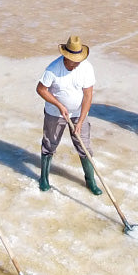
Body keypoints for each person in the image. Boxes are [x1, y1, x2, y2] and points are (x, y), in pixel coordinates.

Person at [35, 36, 102, 195]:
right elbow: (41, 89)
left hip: (78, 113)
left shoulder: (86, 67)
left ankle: (90, 181)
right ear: (66, 56)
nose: (78, 63)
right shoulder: (53, 69)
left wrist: (81, 120)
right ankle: (44, 178)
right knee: (49, 145)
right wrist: (59, 105)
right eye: (74, 60)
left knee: (84, 147)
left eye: (79, 60)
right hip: (54, 113)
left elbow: (88, 95)